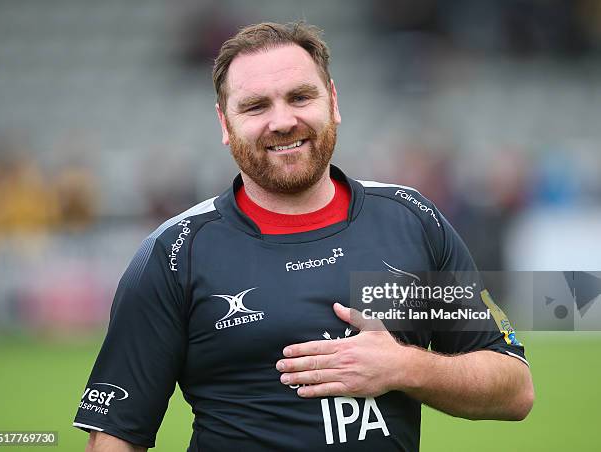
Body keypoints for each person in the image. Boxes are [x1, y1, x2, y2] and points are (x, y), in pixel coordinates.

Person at [74, 22, 534, 452]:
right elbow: (116, 436)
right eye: (256, 106)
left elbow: (514, 389)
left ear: (333, 101)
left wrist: (405, 366)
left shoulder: (410, 221)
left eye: (300, 97)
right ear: (224, 124)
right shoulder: (176, 253)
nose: (282, 121)